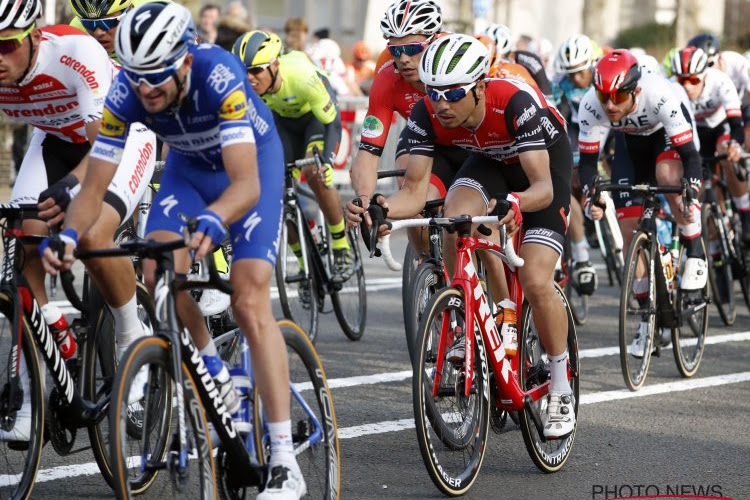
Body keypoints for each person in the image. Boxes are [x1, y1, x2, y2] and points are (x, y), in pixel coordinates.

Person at [40, 3, 305, 497]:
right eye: (137, 78)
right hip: (189, 172)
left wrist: (215, 216)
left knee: (248, 301)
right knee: (158, 270)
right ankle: (213, 368)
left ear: (184, 62)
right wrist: (69, 237)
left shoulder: (219, 74)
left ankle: (286, 460)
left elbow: (246, 184)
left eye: (157, 79)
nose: (146, 91)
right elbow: (94, 189)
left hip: (251, 171)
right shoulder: (128, 90)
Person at [372, 34, 576, 439]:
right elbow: (413, 192)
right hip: (489, 162)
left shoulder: (515, 101)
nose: (442, 105)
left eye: (454, 94)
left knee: (536, 279)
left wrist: (514, 204)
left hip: (540, 175)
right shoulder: (428, 114)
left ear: (480, 86)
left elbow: (543, 189)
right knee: (453, 218)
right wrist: (378, 209)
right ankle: (480, 315)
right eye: (434, 94)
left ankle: (560, 384)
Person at [0, 0, 156, 441]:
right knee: (21, 243)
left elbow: (107, 146)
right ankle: (34, 386)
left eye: (7, 45)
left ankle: (131, 337)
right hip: (53, 139)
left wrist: (73, 188)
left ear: (33, 37)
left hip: (117, 139)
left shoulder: (76, 53)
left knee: (91, 232)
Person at [579, 50, 705, 357]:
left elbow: (690, 156)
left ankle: (696, 252)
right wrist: (591, 197)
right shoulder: (591, 105)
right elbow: (587, 165)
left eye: (617, 97)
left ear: (635, 90)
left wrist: (690, 188)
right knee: (628, 233)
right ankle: (646, 319)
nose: (609, 104)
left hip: (667, 137)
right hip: (629, 145)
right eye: (603, 96)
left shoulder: (660, 94)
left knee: (669, 177)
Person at [346, 0, 471, 262]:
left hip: (473, 144)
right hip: (424, 139)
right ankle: (428, 265)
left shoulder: (461, 59)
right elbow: (368, 153)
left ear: (434, 40)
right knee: (413, 201)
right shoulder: (387, 78)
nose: (403, 58)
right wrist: (365, 202)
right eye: (395, 49)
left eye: (413, 48)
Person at [232, 30, 354, 285]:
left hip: (314, 121)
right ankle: (304, 265)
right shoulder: (246, 88)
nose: (250, 78)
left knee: (315, 172)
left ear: (275, 65)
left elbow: (332, 123)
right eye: (245, 71)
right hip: (284, 125)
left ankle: (341, 244)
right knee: (279, 193)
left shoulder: (300, 75)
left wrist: (328, 161)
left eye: (257, 71)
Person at [670, 46, 750, 240]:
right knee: (699, 183)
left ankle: (745, 212)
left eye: (693, 80)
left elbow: (736, 126)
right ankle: (715, 246)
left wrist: (735, 145)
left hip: (720, 125)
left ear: (704, 75)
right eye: (682, 80)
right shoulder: (671, 88)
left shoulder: (720, 81)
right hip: (693, 131)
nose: (687, 86)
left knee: (726, 153)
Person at [553, 34, 604, 295]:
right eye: (570, 73)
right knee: (566, 185)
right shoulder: (559, 85)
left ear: (591, 64)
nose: (575, 78)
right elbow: (556, 120)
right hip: (574, 134)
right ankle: (581, 252)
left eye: (580, 71)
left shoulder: (601, 79)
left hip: (603, 129)